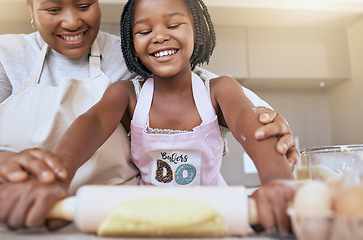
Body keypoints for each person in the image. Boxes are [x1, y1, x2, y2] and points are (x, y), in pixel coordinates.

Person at [0, 0, 297, 233]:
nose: (159, 36)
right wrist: (58, 178)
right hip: (143, 215)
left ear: (199, 33)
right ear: (132, 48)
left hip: (216, 214)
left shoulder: (220, 89)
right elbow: (93, 123)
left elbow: (251, 124)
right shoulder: (125, 94)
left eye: (174, 25)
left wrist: (277, 182)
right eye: (144, 32)